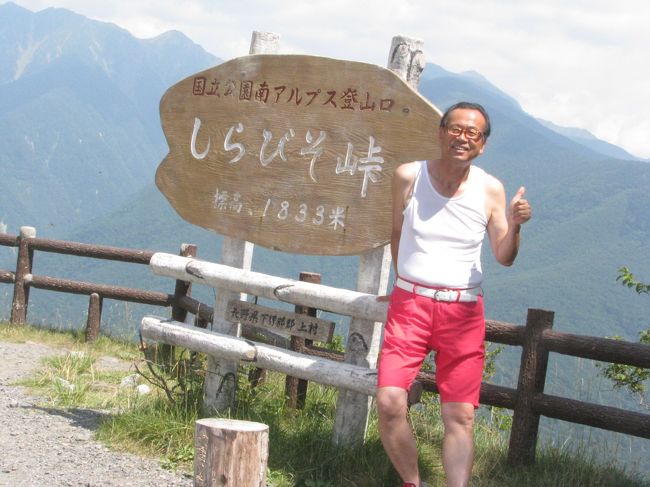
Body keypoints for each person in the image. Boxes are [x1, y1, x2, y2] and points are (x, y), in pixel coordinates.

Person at [376, 101, 532, 487]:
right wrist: (405, 285)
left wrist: (514, 226)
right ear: (441, 132)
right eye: (456, 129)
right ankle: (413, 483)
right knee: (389, 401)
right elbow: (397, 234)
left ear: (482, 145)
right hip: (409, 306)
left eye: (472, 133)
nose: (462, 138)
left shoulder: (490, 189)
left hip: (462, 312)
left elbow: (504, 256)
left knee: (460, 415)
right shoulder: (408, 176)